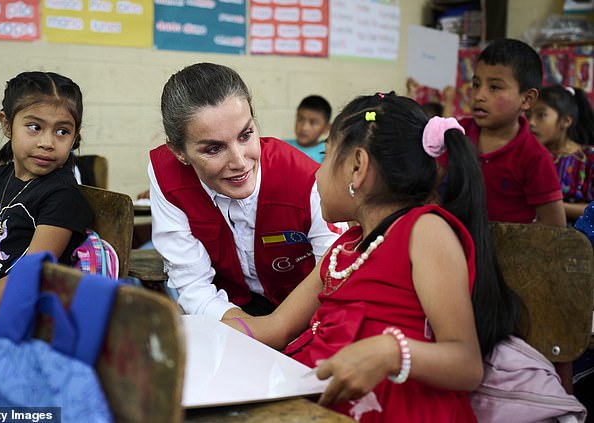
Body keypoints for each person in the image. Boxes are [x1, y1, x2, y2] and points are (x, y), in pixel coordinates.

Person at [224, 93, 521, 422]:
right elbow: (275, 327)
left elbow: (466, 364)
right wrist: (204, 331)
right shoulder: (342, 251)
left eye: (325, 158)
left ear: (358, 167)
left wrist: (391, 351)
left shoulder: (424, 232)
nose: (317, 175)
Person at [148, 63, 343, 319]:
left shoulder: (305, 178)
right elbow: (194, 286)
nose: (240, 161)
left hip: (307, 312)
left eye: (246, 135)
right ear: (179, 153)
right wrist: (249, 330)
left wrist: (274, 330)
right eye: (214, 149)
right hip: (227, 307)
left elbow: (332, 279)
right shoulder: (166, 175)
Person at [0, 71, 93, 374]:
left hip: (29, 321)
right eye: (34, 127)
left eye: (62, 132)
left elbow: (30, 277)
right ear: (6, 124)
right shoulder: (0, 177)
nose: (48, 143)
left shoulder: (62, 195)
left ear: (76, 135)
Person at [459, 38, 565, 226]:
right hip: (455, 246)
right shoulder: (458, 133)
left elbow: (554, 226)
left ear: (527, 99)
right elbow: (431, 192)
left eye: (494, 87)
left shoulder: (535, 157)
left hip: (507, 253)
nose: (479, 95)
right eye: (476, 84)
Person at [527, 84, 594, 224]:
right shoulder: (531, 156)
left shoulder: (588, 158)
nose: (531, 123)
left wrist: (554, 208)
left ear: (566, 121)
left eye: (541, 115)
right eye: (528, 116)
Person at [284, 95, 332, 163]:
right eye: (300, 119)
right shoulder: (282, 147)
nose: (304, 128)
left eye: (313, 123)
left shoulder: (327, 154)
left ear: (326, 128)